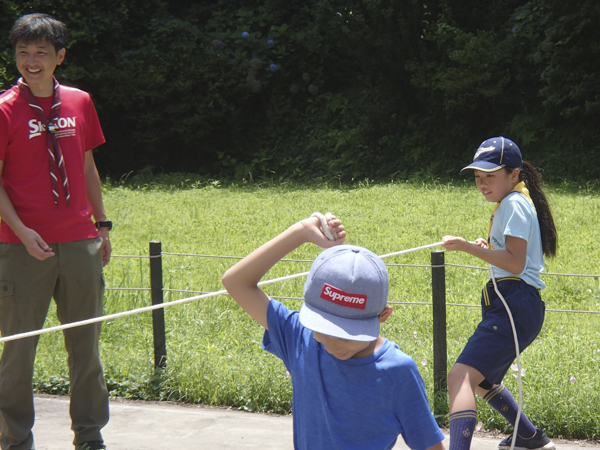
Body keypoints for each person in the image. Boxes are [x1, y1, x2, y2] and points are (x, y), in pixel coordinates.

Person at [222, 214, 446, 450]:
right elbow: (236, 282)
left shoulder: (398, 372)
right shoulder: (300, 338)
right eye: (322, 329)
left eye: (346, 334)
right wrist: (301, 231)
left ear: (383, 316)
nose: (331, 345)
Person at [0, 13, 112, 450]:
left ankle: (89, 437)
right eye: (23, 52)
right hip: (21, 249)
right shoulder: (5, 109)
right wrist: (23, 233)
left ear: (59, 57)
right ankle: (14, 441)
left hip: (80, 243)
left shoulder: (80, 102)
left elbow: (86, 166)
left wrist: (101, 226)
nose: (31, 60)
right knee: (18, 352)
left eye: (41, 53)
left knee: (86, 350)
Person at [441, 137, 557, 450]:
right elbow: (512, 256)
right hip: (512, 304)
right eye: (478, 177)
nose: (482, 183)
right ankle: (529, 436)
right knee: (480, 379)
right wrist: (488, 248)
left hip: (513, 302)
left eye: (490, 176)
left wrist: (467, 248)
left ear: (514, 174)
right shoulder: (512, 203)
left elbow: (515, 264)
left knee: (460, 378)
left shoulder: (514, 204)